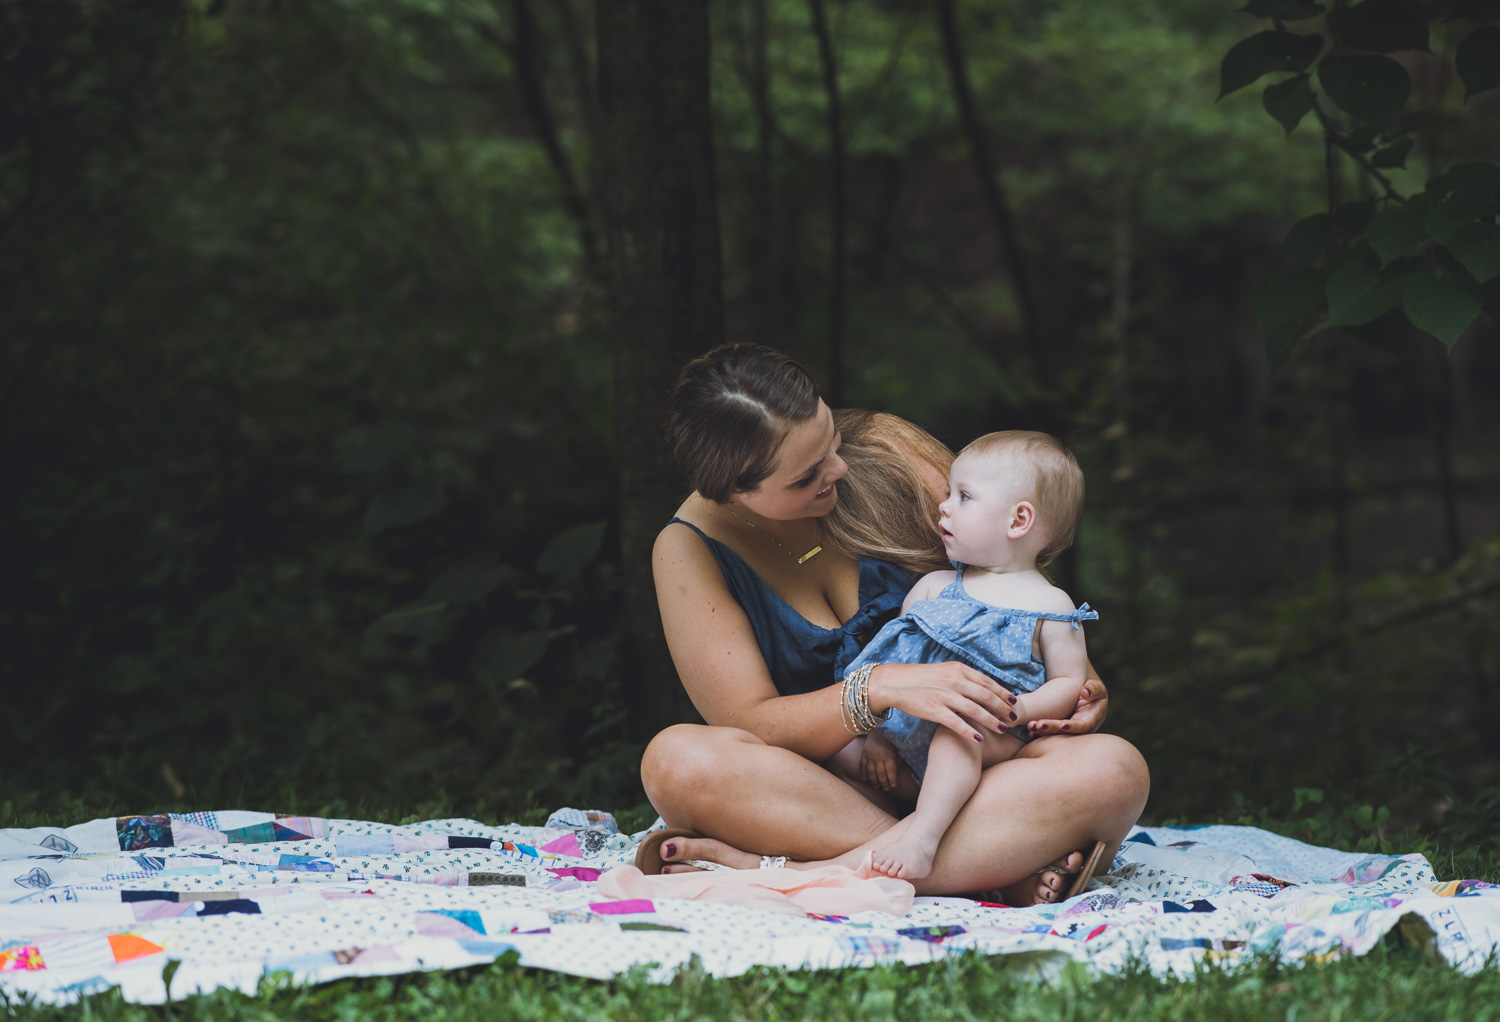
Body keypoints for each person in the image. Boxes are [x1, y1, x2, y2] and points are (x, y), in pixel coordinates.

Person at [640, 344, 1148, 903]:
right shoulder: (690, 549)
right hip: (835, 792)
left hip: (982, 770)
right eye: (807, 476)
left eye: (830, 439)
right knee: (677, 763)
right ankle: (988, 863)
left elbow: (1021, 584)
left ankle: (779, 873)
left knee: (1114, 770)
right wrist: (878, 689)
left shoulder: (886, 450)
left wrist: (1081, 688)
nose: (838, 468)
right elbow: (752, 724)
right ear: (736, 490)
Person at [847, 430, 1098, 881]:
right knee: (837, 751)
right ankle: (900, 832)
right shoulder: (935, 586)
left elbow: (1068, 684)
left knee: (958, 734)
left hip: (989, 741)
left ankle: (922, 839)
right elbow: (894, 666)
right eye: (949, 493)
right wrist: (880, 739)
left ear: (1019, 520)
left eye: (963, 496)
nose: (943, 505)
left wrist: (1018, 709)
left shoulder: (1053, 606)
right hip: (906, 744)